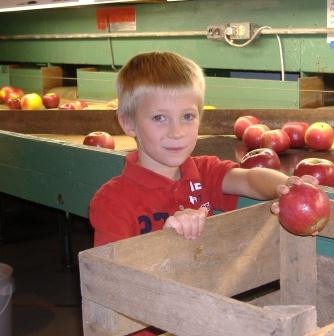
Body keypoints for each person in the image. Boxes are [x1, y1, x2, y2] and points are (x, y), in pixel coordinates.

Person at [88, 51, 312, 336]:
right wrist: (162, 244)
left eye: (187, 117)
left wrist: (284, 187)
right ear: (129, 123)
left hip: (202, 318)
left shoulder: (204, 172)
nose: (177, 131)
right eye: (159, 118)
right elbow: (107, 287)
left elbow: (249, 179)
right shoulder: (113, 203)